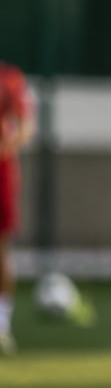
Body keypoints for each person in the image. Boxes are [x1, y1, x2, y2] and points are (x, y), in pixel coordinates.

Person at [0, 60, 34, 356]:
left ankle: (2, 323)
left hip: (2, 174)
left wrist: (6, 147)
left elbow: (26, 126)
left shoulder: (9, 79)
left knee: (2, 250)